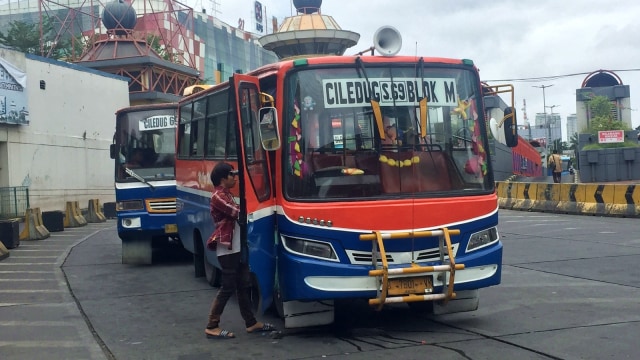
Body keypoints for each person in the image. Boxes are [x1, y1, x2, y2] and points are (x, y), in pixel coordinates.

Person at [204, 162, 276, 339]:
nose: (234, 178)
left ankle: (251, 323)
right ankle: (212, 325)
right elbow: (238, 213)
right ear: (222, 178)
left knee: (242, 285)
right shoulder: (218, 196)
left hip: (236, 246)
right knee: (228, 286)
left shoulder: (227, 194)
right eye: (231, 175)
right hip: (227, 248)